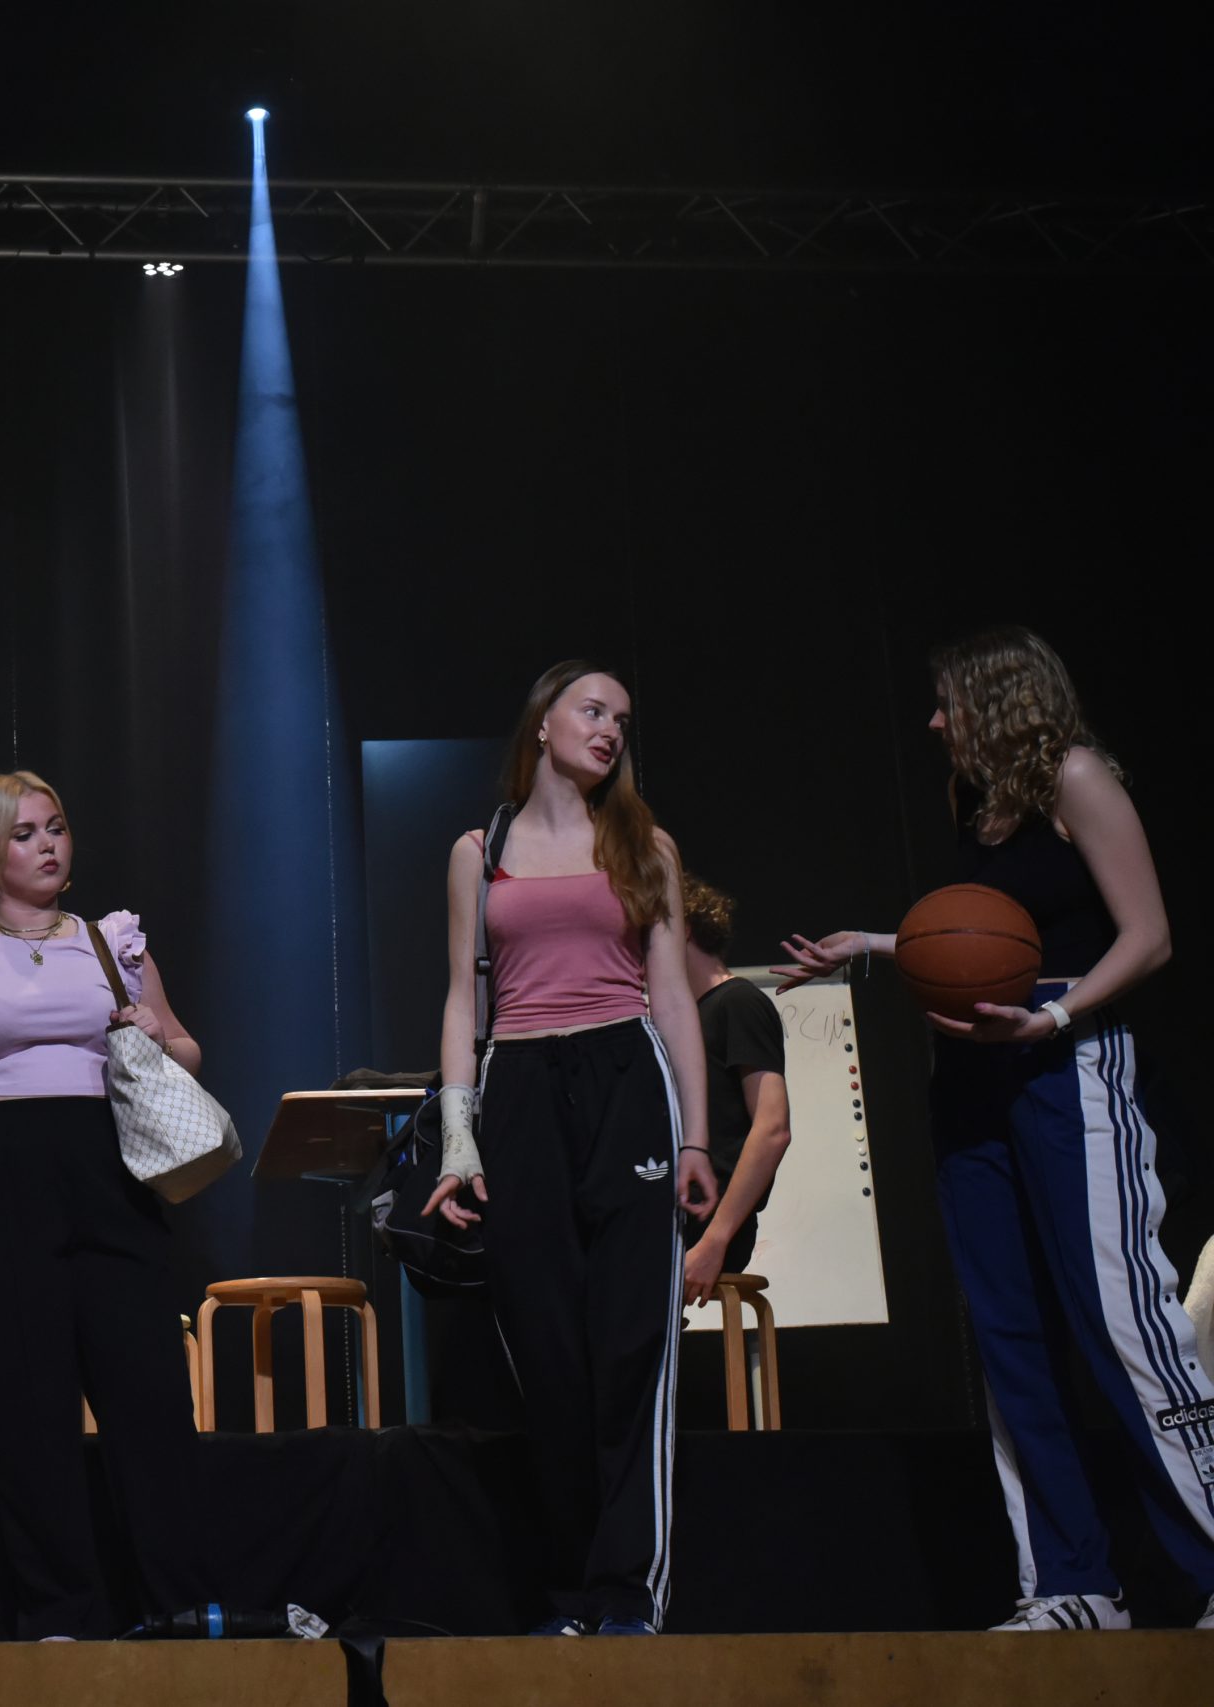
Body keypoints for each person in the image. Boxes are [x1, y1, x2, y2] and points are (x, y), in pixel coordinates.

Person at [776, 625, 1214, 1633]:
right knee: (1009, 1337)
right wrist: (873, 943)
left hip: (1071, 1060)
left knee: (1123, 1322)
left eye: (949, 702)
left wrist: (1053, 1019)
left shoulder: (1078, 779)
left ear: (1000, 698)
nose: (935, 722)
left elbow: (1149, 935)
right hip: (973, 1075)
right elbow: (978, 942)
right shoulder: (976, 804)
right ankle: (1070, 1584)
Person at [424, 661, 717, 1637]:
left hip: (626, 1078)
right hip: (518, 1085)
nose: (610, 730)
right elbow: (463, 1000)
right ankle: (569, 1594)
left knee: (631, 1344)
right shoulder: (478, 850)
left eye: (622, 720)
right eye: (593, 711)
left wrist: (696, 1137)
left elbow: (672, 996)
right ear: (542, 722)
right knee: (546, 1353)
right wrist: (458, 1144)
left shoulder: (644, 844)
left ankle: (629, 1592)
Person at [0, 770, 210, 1640]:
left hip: (110, 1178)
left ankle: (177, 1606)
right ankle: (61, 1615)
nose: (48, 845)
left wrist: (159, 1034)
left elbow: (187, 1048)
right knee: (29, 1414)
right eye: (26, 832)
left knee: (150, 1397)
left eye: (57, 827)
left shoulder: (113, 941)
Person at [677, 876, 793, 1304]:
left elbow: (773, 1128)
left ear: (682, 929)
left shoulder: (737, 1002)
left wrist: (715, 1240)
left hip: (707, 1228)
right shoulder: (681, 1019)